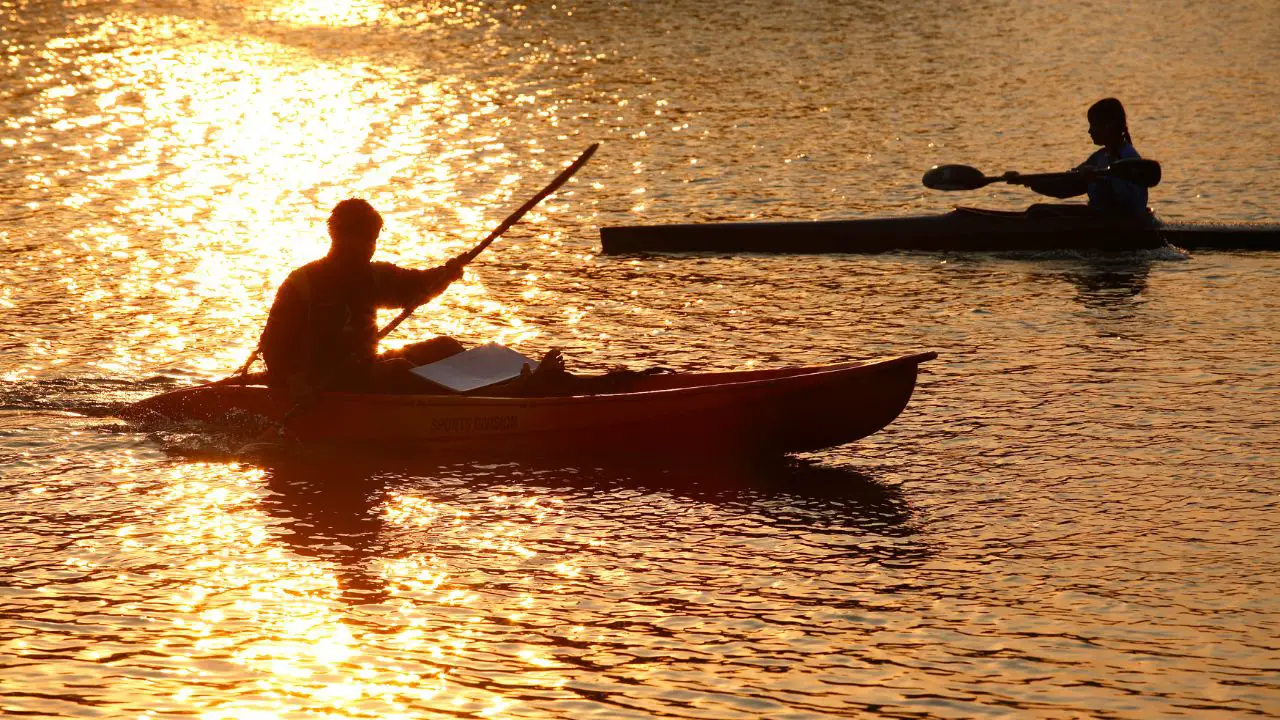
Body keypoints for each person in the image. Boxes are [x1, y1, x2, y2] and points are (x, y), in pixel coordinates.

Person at [259, 198, 568, 405]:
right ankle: (498, 397)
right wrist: (296, 383)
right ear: (338, 237)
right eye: (363, 239)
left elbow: (417, 286)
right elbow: (273, 344)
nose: (369, 247)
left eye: (373, 239)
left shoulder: (374, 276)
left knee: (443, 346)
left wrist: (446, 273)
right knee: (396, 369)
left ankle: (510, 385)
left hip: (361, 368)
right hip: (324, 381)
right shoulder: (304, 283)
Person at [1009, 98, 1149, 215]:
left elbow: (1127, 202)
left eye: (1093, 125)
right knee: (1037, 211)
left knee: (1038, 213)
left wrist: (1098, 181)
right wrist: (1025, 180)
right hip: (1100, 220)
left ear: (1108, 126)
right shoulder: (1099, 158)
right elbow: (1064, 186)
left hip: (1119, 225)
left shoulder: (1130, 160)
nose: (1089, 131)